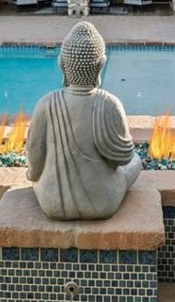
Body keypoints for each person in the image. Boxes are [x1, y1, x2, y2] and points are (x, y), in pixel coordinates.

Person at [26, 21, 142, 220]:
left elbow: (34, 160)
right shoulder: (109, 103)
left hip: (53, 203)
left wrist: (34, 176)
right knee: (136, 161)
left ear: (62, 64)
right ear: (101, 65)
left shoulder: (46, 104)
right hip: (102, 202)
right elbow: (122, 158)